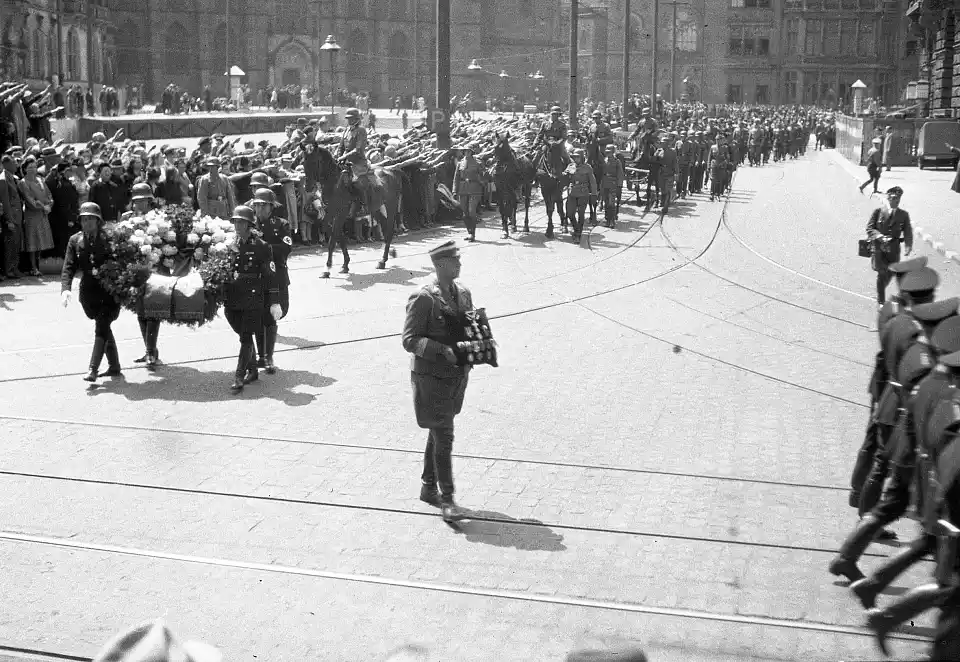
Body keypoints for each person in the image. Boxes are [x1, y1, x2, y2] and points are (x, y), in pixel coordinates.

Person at [401, 240, 473, 523]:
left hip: (456, 376)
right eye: (454, 260)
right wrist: (441, 350)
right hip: (430, 377)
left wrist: (479, 345)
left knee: (438, 429)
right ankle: (447, 499)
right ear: (440, 265)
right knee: (444, 434)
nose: (459, 264)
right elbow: (409, 340)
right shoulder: (424, 298)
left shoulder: (463, 293)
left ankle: (428, 486)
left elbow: (470, 326)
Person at [60, 202, 124, 383]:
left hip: (109, 291)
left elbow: (120, 262)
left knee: (102, 325)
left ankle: (92, 369)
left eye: (91, 219)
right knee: (102, 326)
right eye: (84, 219)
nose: (87, 222)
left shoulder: (111, 238)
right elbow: (69, 267)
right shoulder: (75, 240)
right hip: (88, 293)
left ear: (98, 221)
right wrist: (65, 289)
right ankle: (114, 366)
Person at [222, 205, 281, 394]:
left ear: (249, 224)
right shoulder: (232, 243)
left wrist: (274, 301)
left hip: (253, 297)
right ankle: (253, 369)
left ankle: (239, 376)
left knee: (246, 337)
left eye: (241, 222)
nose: (237, 225)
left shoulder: (261, 246)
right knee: (241, 332)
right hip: (234, 297)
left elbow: (271, 275)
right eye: (235, 222)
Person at [250, 188, 291, 374]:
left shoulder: (281, 224)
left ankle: (269, 356)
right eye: (256, 205)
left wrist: (261, 248)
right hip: (255, 278)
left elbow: (285, 248)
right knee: (259, 316)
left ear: (271, 207)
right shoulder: (249, 224)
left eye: (262, 205)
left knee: (274, 316)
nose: (258, 209)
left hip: (277, 276)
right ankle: (262, 357)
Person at [866, 186, 913, 306]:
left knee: (891, 273)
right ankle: (881, 301)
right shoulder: (878, 212)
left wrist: (908, 246)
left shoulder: (903, 215)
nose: (896, 201)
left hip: (894, 250)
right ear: (888, 198)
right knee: (882, 275)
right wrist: (879, 236)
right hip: (879, 249)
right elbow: (869, 228)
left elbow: (908, 231)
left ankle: (886, 292)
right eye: (893, 198)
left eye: (898, 199)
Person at [18, 156, 55, 276]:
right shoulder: (23, 183)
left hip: (43, 214)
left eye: (34, 167)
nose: (33, 169)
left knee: (41, 242)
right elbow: (29, 200)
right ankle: (33, 267)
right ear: (24, 169)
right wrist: (41, 207)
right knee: (32, 242)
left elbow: (49, 194)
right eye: (30, 167)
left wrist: (49, 205)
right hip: (32, 215)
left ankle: (38, 266)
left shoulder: (40, 179)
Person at [452, 143, 484, 242]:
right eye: (465, 151)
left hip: (474, 188)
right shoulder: (460, 163)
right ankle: (469, 231)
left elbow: (484, 175)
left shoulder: (478, 162)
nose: (467, 153)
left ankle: (472, 234)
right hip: (463, 188)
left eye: (469, 151)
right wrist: (454, 190)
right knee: (465, 213)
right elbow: (456, 178)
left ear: (472, 152)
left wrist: (481, 181)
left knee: (471, 211)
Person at [0, 153, 25, 279]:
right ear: (6, 164)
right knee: (10, 244)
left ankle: (15, 268)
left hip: (18, 216)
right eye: (13, 163)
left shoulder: (13, 177)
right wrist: (9, 220)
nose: (16, 165)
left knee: (16, 244)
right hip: (12, 217)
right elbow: (6, 202)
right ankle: (9, 269)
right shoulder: (3, 179)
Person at [564, 149, 597, 243]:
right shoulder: (570, 166)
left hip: (583, 193)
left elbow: (592, 181)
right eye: (574, 157)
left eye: (577, 157)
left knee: (581, 214)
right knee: (570, 213)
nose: (575, 159)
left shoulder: (587, 167)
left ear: (582, 157)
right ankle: (576, 228)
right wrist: (564, 175)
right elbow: (565, 177)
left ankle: (578, 234)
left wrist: (594, 194)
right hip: (572, 193)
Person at [599, 144, 624, 228]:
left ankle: (612, 220)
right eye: (607, 152)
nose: (608, 153)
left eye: (609, 152)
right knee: (606, 203)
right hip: (605, 184)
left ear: (613, 152)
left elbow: (620, 174)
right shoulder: (604, 161)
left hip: (613, 184)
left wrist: (619, 186)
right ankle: (607, 220)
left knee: (611, 203)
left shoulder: (617, 161)